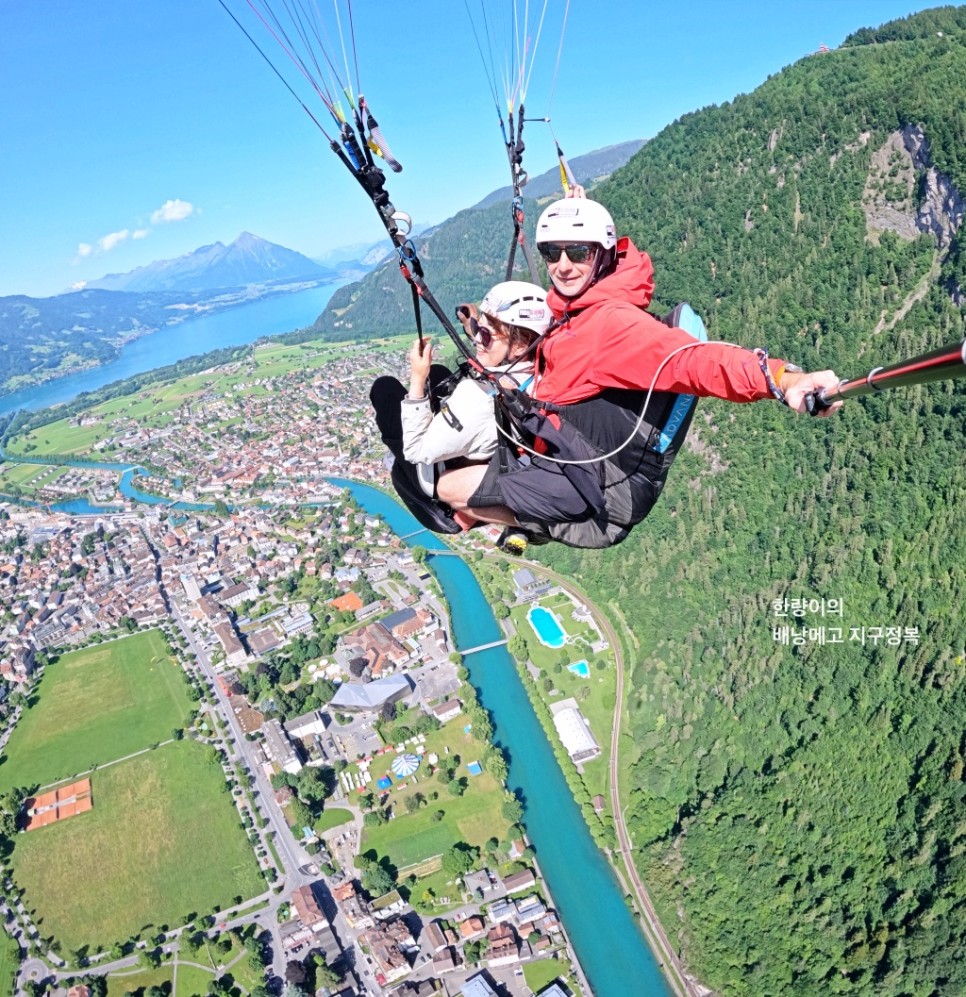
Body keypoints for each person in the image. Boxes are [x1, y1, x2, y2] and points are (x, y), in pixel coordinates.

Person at [435, 196, 844, 549]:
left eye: (578, 252)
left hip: (603, 496)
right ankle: (513, 507)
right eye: (552, 253)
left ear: (603, 255)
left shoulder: (610, 326)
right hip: (579, 451)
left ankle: (520, 521)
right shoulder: (588, 301)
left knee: (445, 489)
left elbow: (695, 362)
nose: (561, 266)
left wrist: (782, 378)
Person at [369, 280, 550, 534]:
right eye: (479, 330)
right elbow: (496, 363)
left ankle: (400, 464)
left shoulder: (476, 399)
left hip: (433, 478)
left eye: (485, 335)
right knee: (440, 372)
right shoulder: (540, 374)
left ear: (519, 345)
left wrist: (418, 378)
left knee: (385, 389)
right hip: (493, 450)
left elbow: (415, 449)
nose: (478, 340)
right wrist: (472, 326)